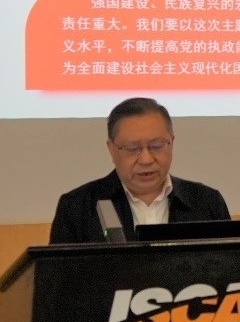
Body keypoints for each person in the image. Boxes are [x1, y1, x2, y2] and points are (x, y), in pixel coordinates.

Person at [49, 97, 230, 244]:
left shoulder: (207, 202)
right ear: (111, 149)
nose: (146, 159)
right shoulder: (77, 208)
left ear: (171, 143)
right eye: (133, 148)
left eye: (156, 146)